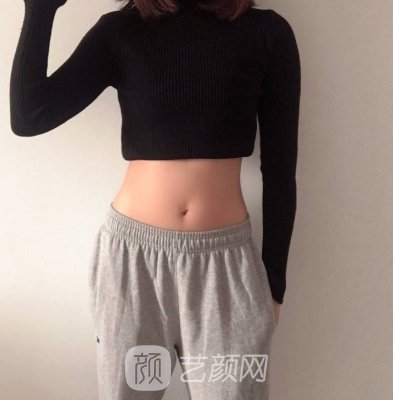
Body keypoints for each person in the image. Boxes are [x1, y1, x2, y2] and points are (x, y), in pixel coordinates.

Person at [9, 0, 301, 398]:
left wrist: (274, 284)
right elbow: (29, 115)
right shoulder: (121, 30)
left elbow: (281, 171)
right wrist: (41, 8)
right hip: (135, 271)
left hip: (226, 276)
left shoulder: (267, 33)